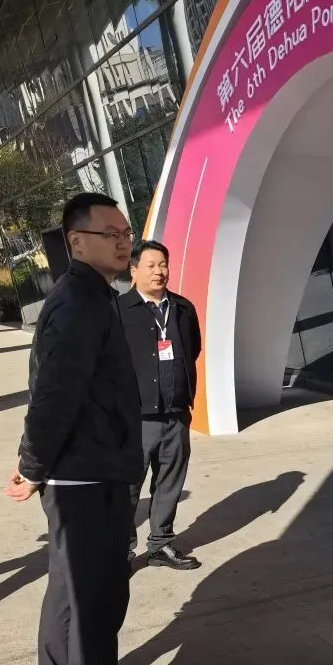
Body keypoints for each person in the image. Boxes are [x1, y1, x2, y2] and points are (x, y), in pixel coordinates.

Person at [4, 193, 178, 665]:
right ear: (77, 241)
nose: (124, 242)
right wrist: (32, 466)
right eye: (111, 234)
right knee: (97, 603)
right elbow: (53, 395)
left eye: (126, 233)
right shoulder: (80, 301)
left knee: (69, 591)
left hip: (85, 469)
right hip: (86, 474)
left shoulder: (87, 295)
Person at [118, 240, 202, 569]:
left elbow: (192, 349)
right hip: (134, 419)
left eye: (163, 264)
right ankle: (120, 551)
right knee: (127, 487)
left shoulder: (182, 308)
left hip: (176, 414)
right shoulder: (118, 310)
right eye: (151, 265)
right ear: (134, 270)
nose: (159, 271)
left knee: (170, 481)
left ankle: (161, 544)